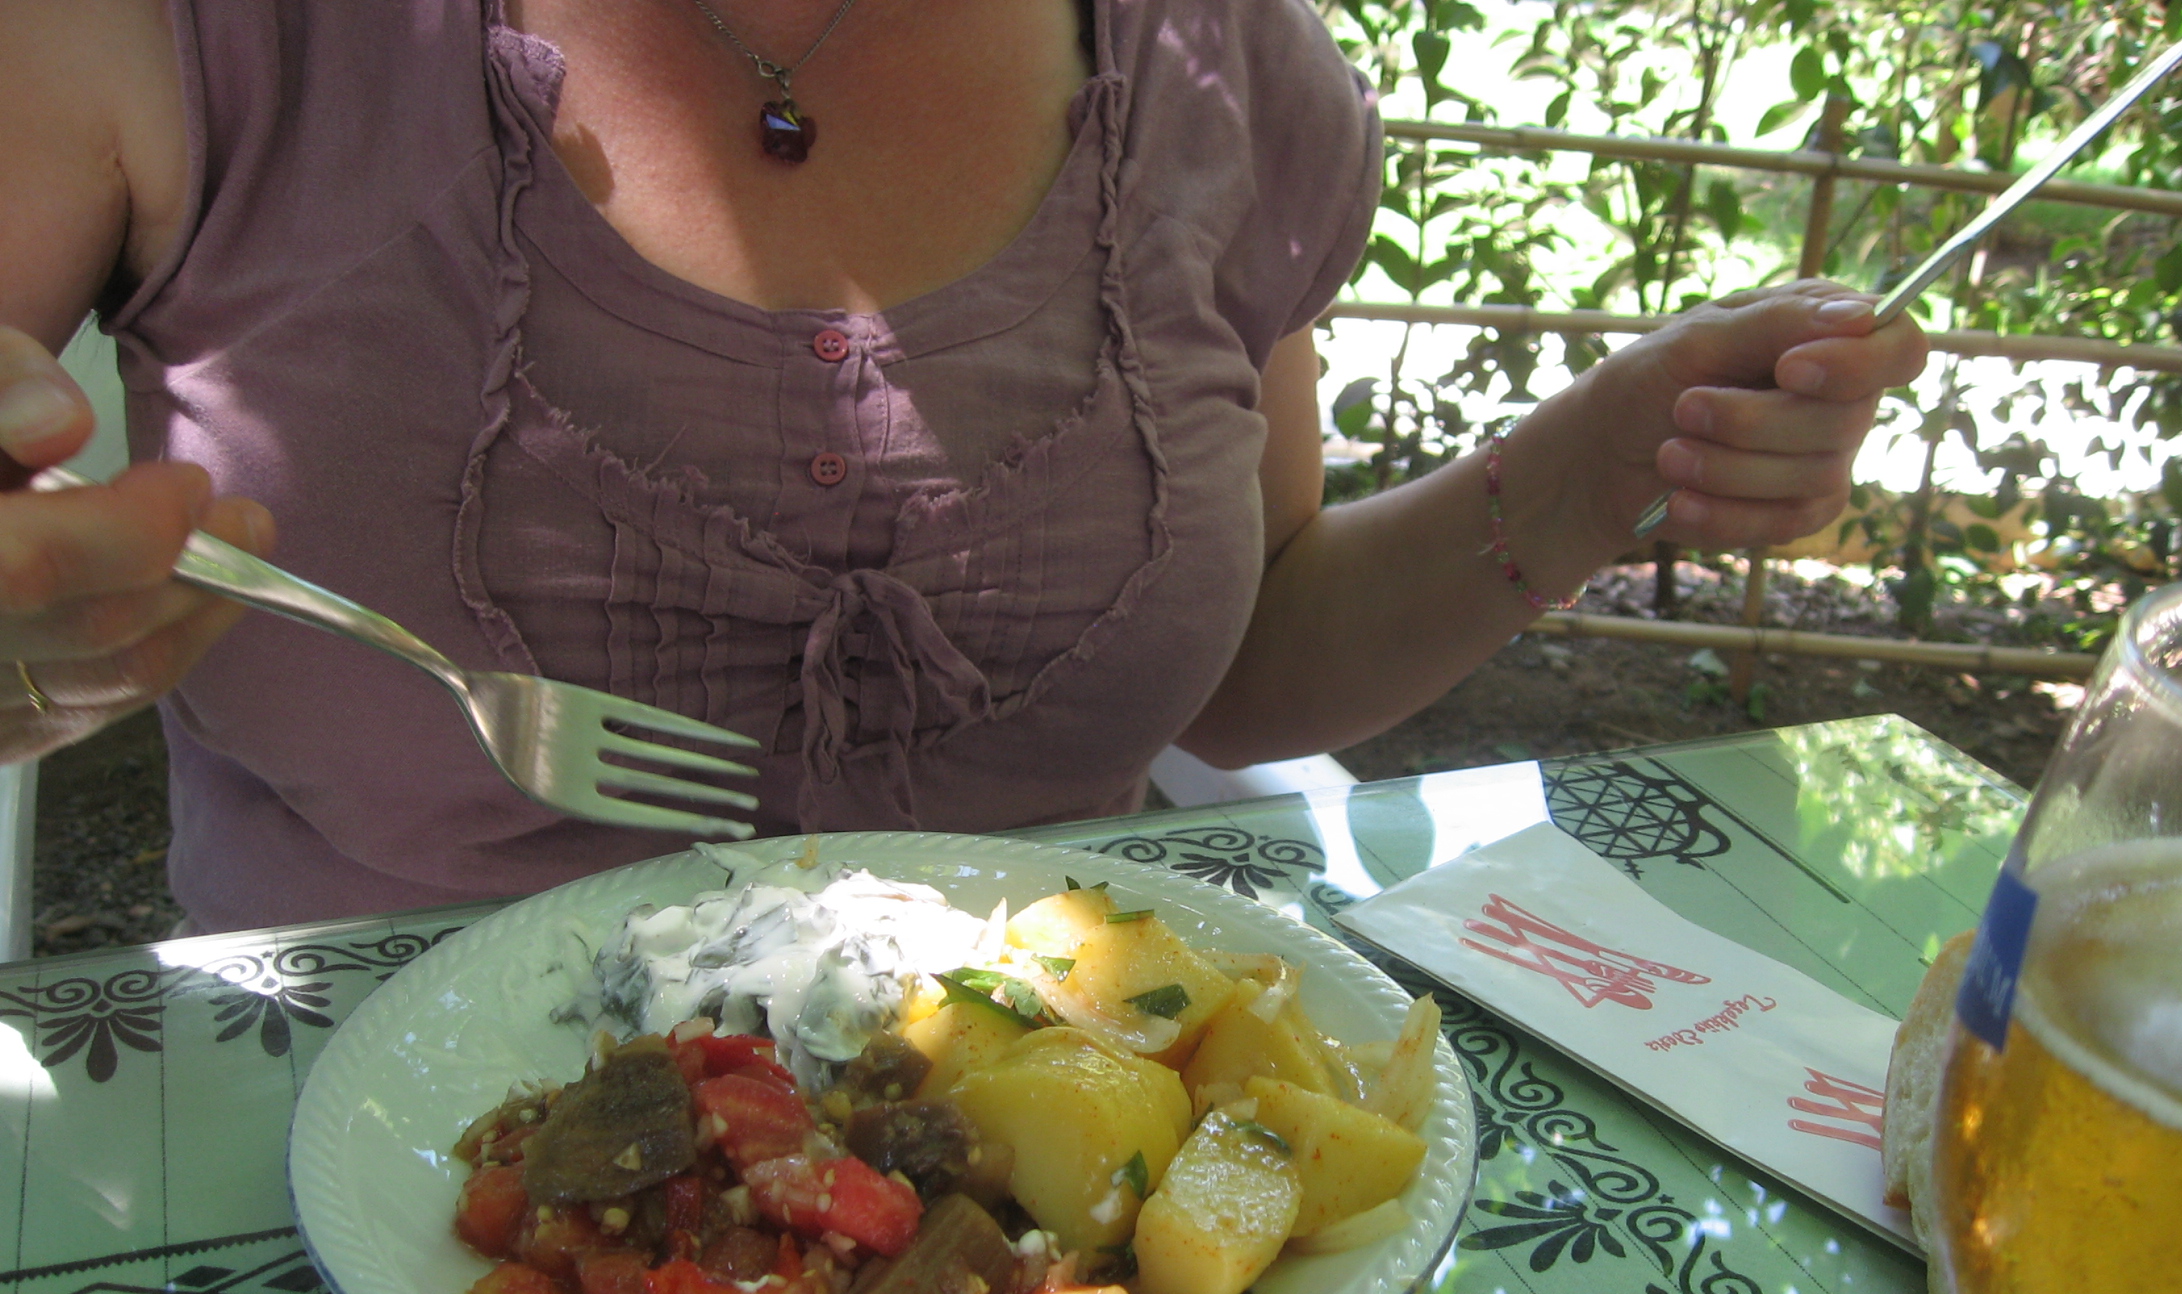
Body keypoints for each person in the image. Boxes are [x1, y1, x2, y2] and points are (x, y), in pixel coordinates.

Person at [0, 0, 1926, 933]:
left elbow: (1252, 661)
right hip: (345, 1185)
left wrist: (1597, 469)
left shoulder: (1215, 64)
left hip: (1029, 1204)